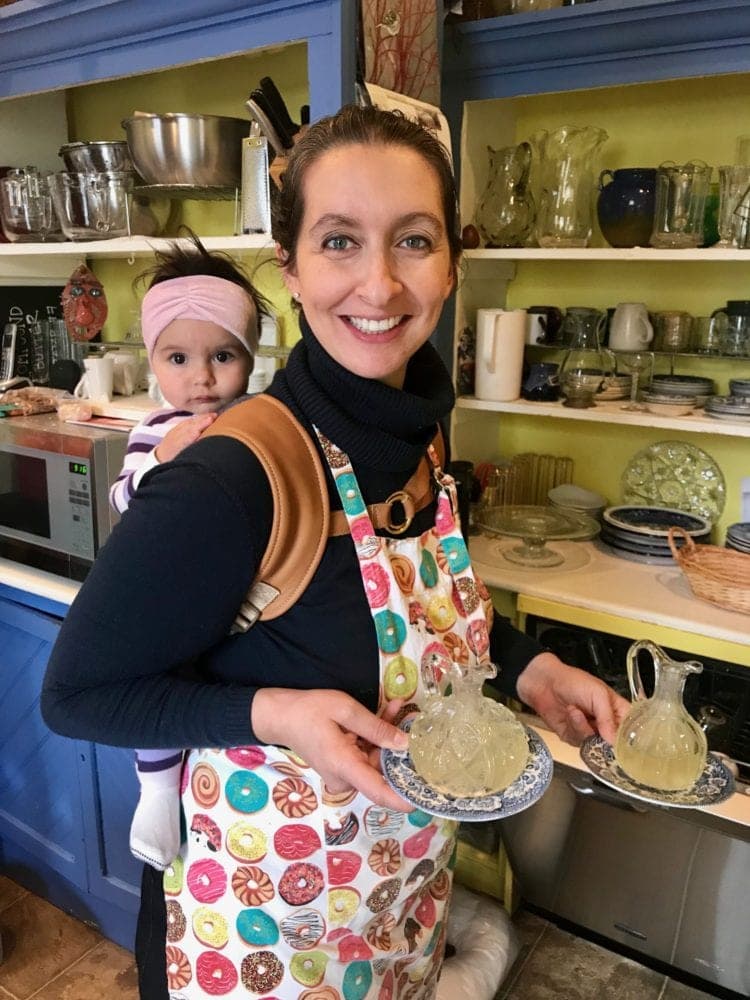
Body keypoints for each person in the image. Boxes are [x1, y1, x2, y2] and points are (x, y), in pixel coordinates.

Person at [42, 105, 629, 1000]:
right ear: (292, 269)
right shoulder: (235, 477)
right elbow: (78, 694)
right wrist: (274, 714)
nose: (382, 284)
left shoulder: (420, 439)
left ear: (452, 266)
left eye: (416, 241)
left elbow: (428, 623)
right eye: (341, 241)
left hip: (394, 912)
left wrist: (529, 665)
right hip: (255, 945)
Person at [110, 234, 267, 872]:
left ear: (250, 358)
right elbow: (122, 500)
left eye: (223, 355)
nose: (200, 377)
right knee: (153, 682)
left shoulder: (259, 418)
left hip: (238, 591)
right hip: (167, 591)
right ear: (153, 360)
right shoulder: (153, 429)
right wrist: (161, 469)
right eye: (178, 357)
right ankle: (153, 789)